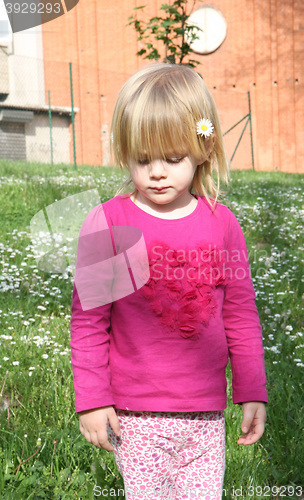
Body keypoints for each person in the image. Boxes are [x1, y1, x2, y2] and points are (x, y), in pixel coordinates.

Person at [70, 63, 268, 500]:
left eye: (172, 158)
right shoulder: (110, 223)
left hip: (205, 417)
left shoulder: (222, 225)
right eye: (143, 159)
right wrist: (92, 399)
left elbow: (240, 313)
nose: (156, 172)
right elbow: (88, 321)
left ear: (202, 148)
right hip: (136, 416)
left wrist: (253, 390)